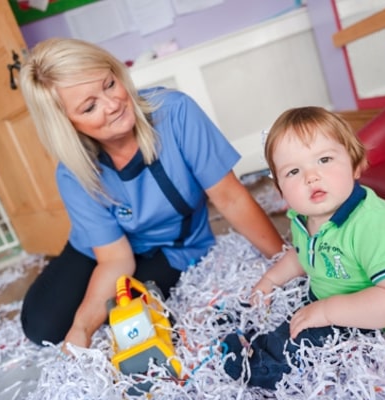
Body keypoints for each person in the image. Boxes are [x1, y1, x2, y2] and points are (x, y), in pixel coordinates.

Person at [17, 38, 284, 350]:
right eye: (89, 107)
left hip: (172, 246)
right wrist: (81, 329)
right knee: (42, 327)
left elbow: (231, 198)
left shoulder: (176, 113)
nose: (113, 104)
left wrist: (285, 261)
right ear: (67, 125)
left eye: (109, 84)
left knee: (137, 320)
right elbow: (115, 259)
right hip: (105, 250)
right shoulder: (71, 173)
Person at [222, 107, 385, 390]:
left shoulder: (374, 223)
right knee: (287, 324)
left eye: (325, 159)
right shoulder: (305, 218)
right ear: (280, 189)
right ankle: (249, 336)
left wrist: (327, 311)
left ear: (355, 165)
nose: (311, 177)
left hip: (367, 326)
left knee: (290, 355)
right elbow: (304, 255)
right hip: (323, 304)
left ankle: (256, 367)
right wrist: (270, 281)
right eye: (293, 171)